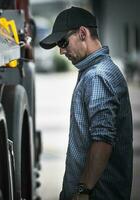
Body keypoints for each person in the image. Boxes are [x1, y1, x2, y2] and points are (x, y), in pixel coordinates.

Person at [39, 6, 133, 200]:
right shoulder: (98, 70)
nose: (62, 50)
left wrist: (83, 191)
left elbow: (102, 140)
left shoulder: (97, 76)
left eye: (63, 42)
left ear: (82, 33)